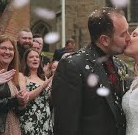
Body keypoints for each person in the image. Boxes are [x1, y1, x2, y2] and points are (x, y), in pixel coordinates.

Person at [52, 7, 131, 135]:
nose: (129, 37)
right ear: (104, 40)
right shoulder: (72, 66)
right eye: (123, 34)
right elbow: (66, 126)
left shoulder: (120, 65)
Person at [0, 35, 28, 135]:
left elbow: (20, 113)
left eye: (10, 49)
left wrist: (22, 103)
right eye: (3, 48)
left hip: (14, 128)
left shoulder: (13, 76)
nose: (7, 52)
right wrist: (15, 100)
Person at [19, 49, 53, 135]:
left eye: (37, 57)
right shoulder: (22, 76)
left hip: (45, 119)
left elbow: (48, 98)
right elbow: (25, 97)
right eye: (31, 57)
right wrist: (42, 87)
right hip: (30, 118)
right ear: (26, 61)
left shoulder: (43, 77)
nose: (35, 59)